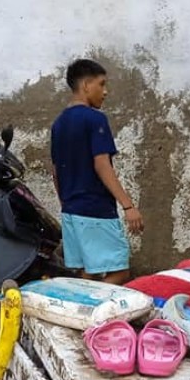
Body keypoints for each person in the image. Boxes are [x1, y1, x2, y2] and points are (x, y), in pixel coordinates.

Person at [50, 58, 143, 286]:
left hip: (72, 210)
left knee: (88, 273)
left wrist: (66, 204)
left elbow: (55, 171)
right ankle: (93, 314)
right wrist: (128, 206)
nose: (106, 91)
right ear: (85, 86)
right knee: (120, 272)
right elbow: (102, 164)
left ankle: (81, 317)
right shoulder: (95, 119)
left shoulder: (59, 123)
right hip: (95, 209)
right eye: (101, 84)